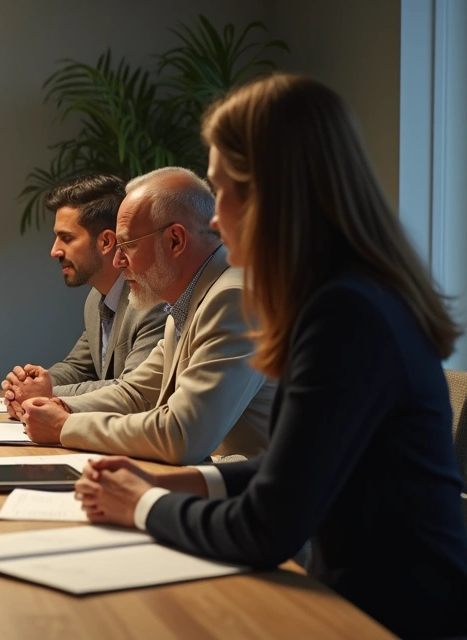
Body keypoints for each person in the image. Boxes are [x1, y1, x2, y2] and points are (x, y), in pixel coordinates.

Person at [74, 74, 467, 638]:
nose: (214, 216)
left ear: (273, 192)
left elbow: (267, 528)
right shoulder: (350, 296)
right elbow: (297, 466)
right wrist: (188, 485)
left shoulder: (345, 314)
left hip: (381, 619)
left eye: (222, 189)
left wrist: (141, 504)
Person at [21, 168, 275, 464]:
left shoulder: (232, 299)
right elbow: (137, 394)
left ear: (175, 241)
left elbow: (184, 435)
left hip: (252, 499)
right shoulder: (189, 301)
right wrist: (57, 406)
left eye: (127, 244)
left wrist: (64, 426)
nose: (117, 260)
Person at [1, 174, 167, 418]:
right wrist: (27, 384)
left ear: (106, 241)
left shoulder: (152, 301)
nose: (54, 250)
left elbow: (134, 390)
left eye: (66, 238)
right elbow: (77, 367)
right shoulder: (95, 299)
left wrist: (47, 394)